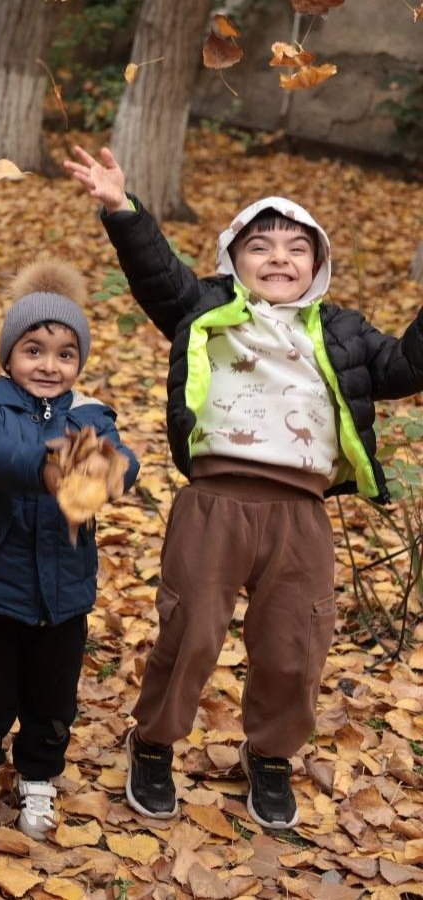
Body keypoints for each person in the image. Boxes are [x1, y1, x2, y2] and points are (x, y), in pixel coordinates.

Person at [65, 145, 423, 829]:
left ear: (318, 265)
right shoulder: (203, 307)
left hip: (301, 512)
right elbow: (157, 276)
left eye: (297, 247)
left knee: (295, 643)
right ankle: (154, 742)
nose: (280, 257)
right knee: (191, 630)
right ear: (235, 259)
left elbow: (407, 368)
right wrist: (122, 209)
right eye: (261, 246)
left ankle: (270, 757)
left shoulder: (342, 331)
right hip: (215, 502)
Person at [0, 258, 139, 839]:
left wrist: (109, 471)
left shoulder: (91, 418)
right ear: (8, 356)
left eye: (64, 354)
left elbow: (121, 465)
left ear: (79, 361)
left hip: (64, 594)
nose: (48, 365)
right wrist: (46, 466)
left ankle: (37, 778)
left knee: (53, 697)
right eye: (33, 350)